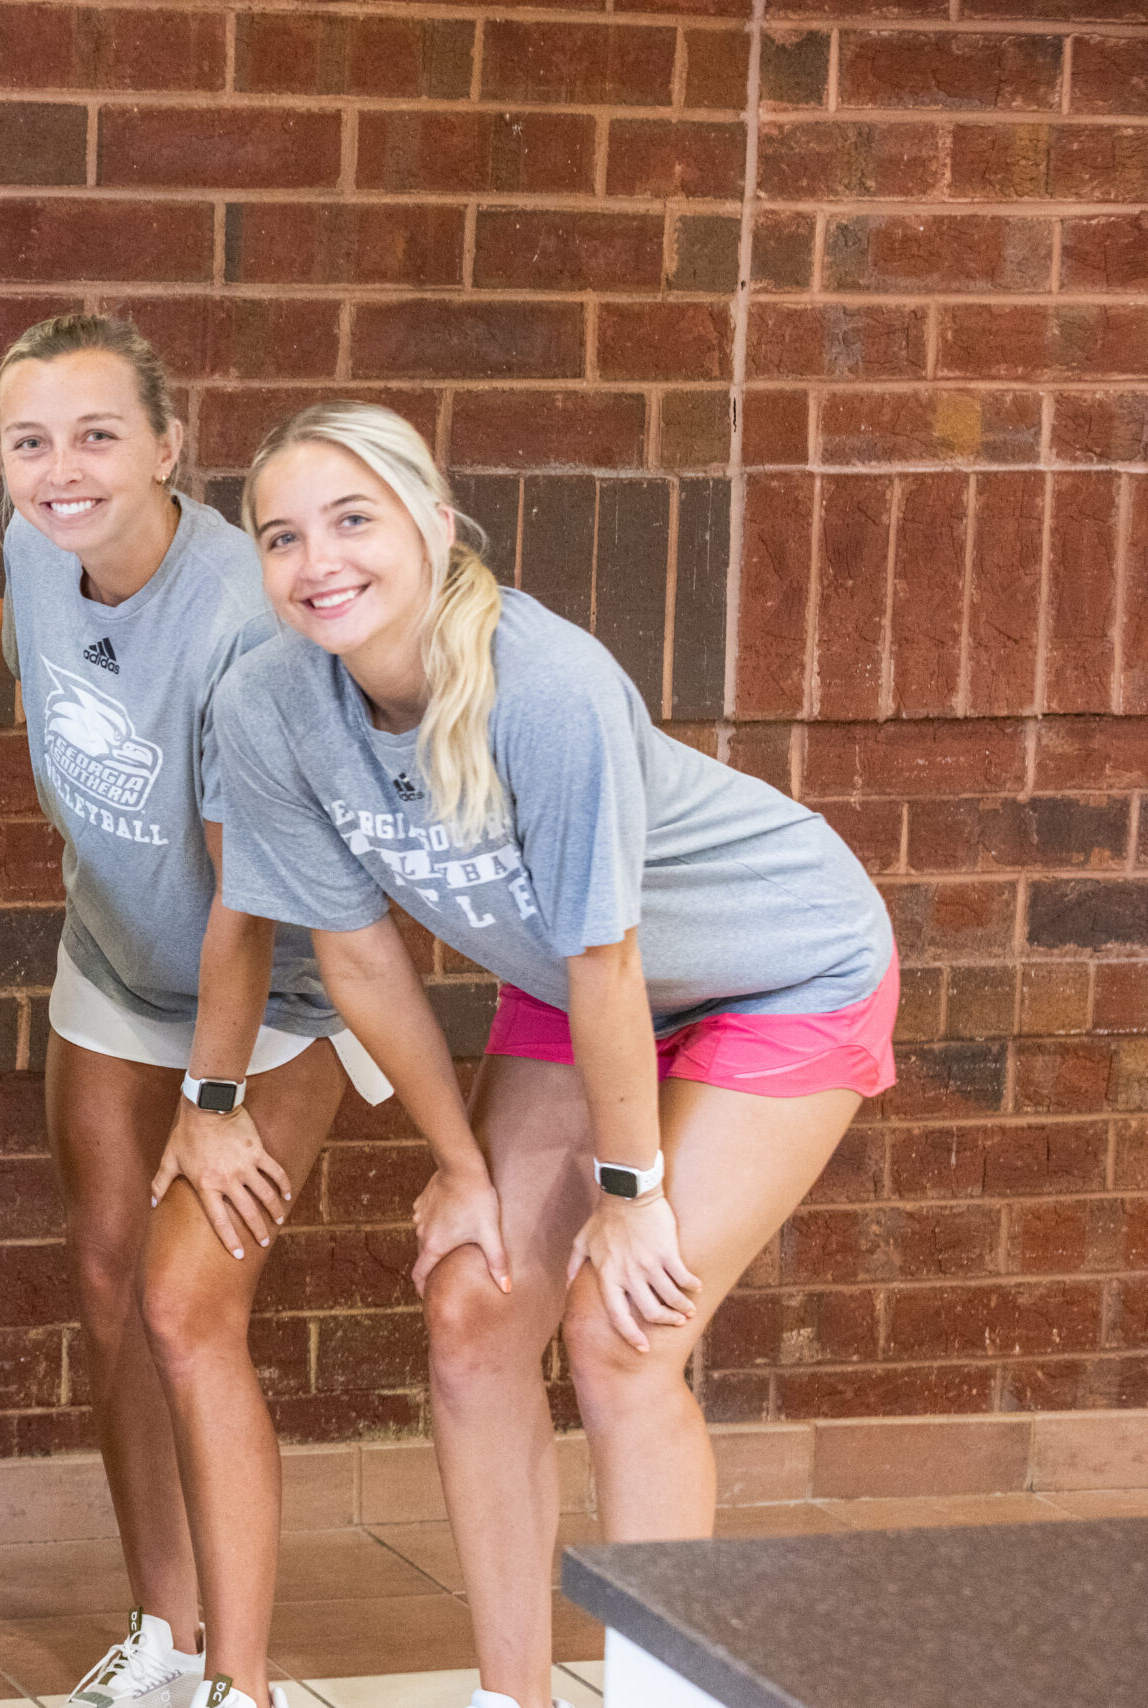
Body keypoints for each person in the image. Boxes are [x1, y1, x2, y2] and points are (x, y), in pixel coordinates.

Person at [212, 403, 897, 1708]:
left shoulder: (545, 683)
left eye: (353, 519)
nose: (319, 561)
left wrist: (630, 1196)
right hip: (573, 984)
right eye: (282, 535)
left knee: (626, 1329)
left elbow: (610, 967)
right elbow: (360, 960)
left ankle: (658, 1691)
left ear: (432, 523)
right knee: (471, 1307)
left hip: (776, 968)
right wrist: (459, 1165)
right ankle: (508, 1694)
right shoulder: (273, 702)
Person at [0, 315, 387, 1708]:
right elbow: (28, 645)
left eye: (98, 435)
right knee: (108, 1287)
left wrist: (214, 1106)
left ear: (172, 442)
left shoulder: (239, 620)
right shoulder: (44, 542)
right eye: (29, 441)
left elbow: (246, 898)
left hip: (276, 989)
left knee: (185, 1307)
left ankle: (242, 1679)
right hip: (120, 963)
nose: (60, 469)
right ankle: (161, 1634)